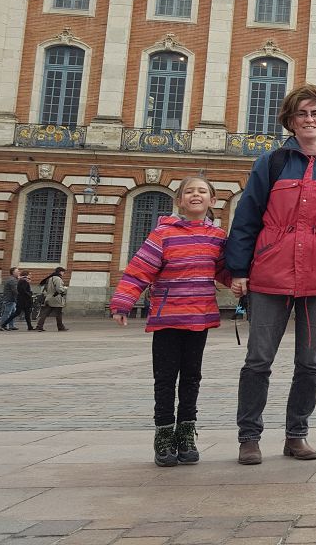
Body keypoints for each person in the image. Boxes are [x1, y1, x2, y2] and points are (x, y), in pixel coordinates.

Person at [226, 84, 316, 466]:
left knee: (309, 363)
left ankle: (296, 434)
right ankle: (249, 437)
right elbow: (246, 219)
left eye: (315, 113)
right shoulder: (270, 163)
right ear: (290, 121)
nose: (309, 120)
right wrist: (238, 270)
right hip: (270, 273)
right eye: (302, 113)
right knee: (258, 360)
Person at [109, 175, 231, 467]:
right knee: (164, 380)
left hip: (199, 318)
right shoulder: (162, 234)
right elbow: (139, 269)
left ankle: (186, 435)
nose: (196, 195)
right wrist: (123, 302)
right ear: (179, 201)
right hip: (167, 319)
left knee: (192, 378)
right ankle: (163, 437)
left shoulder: (218, 237)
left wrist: (243, 282)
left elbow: (225, 271)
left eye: (202, 191)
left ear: (213, 201)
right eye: (189, 191)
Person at [34, 267, 69, 331]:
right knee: (58, 313)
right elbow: (59, 289)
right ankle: (60, 327)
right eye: (63, 272)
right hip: (56, 298)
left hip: (49, 297)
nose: (63, 274)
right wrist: (65, 289)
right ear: (60, 272)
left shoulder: (50, 278)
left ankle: (39, 326)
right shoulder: (58, 279)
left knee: (45, 313)